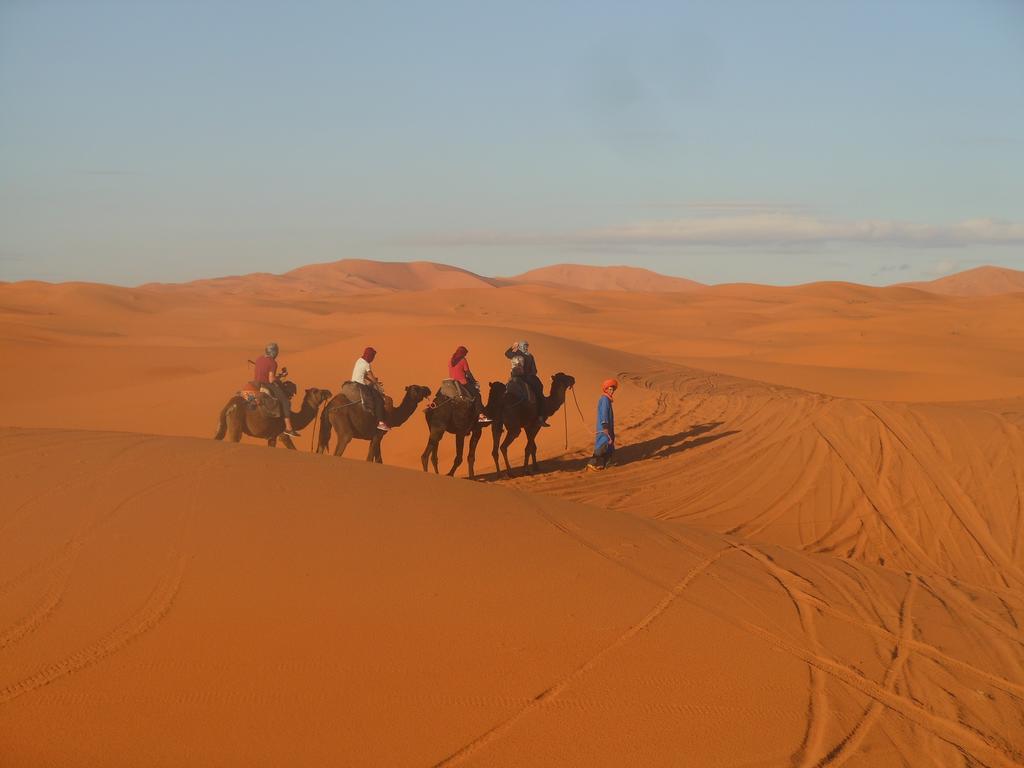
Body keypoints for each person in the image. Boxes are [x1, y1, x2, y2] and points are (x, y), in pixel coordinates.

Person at [252, 342, 300, 436]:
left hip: (255, 383)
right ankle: (288, 428)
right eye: (277, 352)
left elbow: (262, 373)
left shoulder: (259, 359)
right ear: (274, 353)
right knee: (285, 401)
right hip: (266, 385)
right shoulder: (273, 363)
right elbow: (271, 379)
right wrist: (279, 377)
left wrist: (277, 376)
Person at [504, 340, 549, 427]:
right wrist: (513, 347)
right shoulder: (519, 354)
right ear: (521, 346)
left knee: (539, 392)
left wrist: (512, 348)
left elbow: (534, 369)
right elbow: (507, 354)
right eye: (524, 346)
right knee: (539, 395)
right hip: (525, 377)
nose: (526, 347)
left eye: (526, 346)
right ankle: (540, 417)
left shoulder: (527, 355)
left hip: (521, 376)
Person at [449, 346, 492, 424]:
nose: (465, 355)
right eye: (465, 354)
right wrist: (474, 381)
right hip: (462, 383)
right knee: (477, 395)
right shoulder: (463, 360)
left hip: (452, 383)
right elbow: (468, 373)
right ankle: (481, 416)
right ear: (462, 353)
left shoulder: (451, 360)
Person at [351, 346, 389, 432]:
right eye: (373, 356)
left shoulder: (359, 360)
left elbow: (364, 375)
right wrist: (376, 383)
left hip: (353, 382)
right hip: (360, 385)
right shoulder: (366, 364)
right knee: (379, 399)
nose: (373, 358)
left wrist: (373, 381)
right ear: (370, 356)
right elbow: (371, 375)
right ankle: (380, 422)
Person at [587, 378, 618, 471]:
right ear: (606, 389)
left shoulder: (607, 399)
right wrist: (605, 425)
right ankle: (591, 464)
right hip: (604, 426)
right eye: (609, 389)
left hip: (608, 426)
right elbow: (604, 412)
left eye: (612, 389)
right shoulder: (605, 399)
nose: (611, 391)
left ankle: (608, 464)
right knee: (603, 443)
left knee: (609, 445)